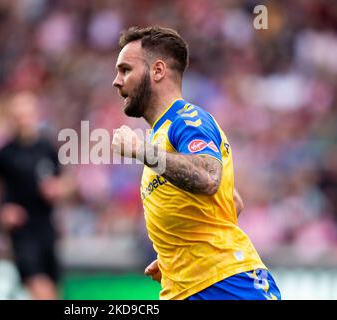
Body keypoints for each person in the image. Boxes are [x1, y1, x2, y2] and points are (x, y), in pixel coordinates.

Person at [111, 26, 281, 300]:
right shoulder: (162, 134)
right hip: (184, 287)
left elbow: (209, 178)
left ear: (157, 71)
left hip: (226, 283)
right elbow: (233, 201)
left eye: (125, 70)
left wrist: (140, 150)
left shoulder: (187, 119)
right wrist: (177, 254)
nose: (117, 81)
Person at [0, 92, 75, 299]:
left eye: (26, 115)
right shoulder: (2, 155)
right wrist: (0, 211)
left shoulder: (47, 148)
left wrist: (58, 189)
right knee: (42, 291)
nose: (22, 121)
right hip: (22, 234)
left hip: (47, 231)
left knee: (52, 290)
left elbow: (68, 183)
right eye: (17, 116)